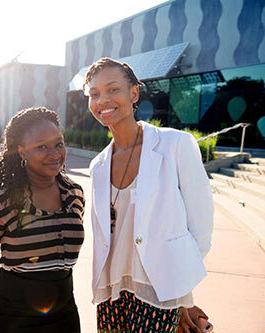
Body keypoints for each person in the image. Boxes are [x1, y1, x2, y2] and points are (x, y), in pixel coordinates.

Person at [84, 58, 214, 333]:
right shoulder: (98, 166)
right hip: (111, 293)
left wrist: (181, 296)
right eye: (94, 94)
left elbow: (200, 229)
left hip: (159, 294)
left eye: (112, 89)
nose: (102, 100)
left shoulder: (176, 145)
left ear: (133, 94)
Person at [0, 107, 85, 333]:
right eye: (42, 146)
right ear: (22, 152)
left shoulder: (75, 194)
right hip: (12, 316)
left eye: (58, 144)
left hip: (64, 312)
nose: (54, 153)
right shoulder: (2, 201)